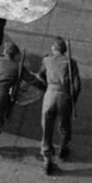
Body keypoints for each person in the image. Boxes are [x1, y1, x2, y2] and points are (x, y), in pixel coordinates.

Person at [36, 37, 82, 174]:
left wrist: (46, 86)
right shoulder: (71, 63)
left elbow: (40, 75)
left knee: (47, 128)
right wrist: (73, 100)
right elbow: (77, 86)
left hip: (50, 94)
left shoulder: (47, 60)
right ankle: (62, 149)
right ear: (65, 50)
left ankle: (47, 160)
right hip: (64, 96)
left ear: (53, 48)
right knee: (64, 125)